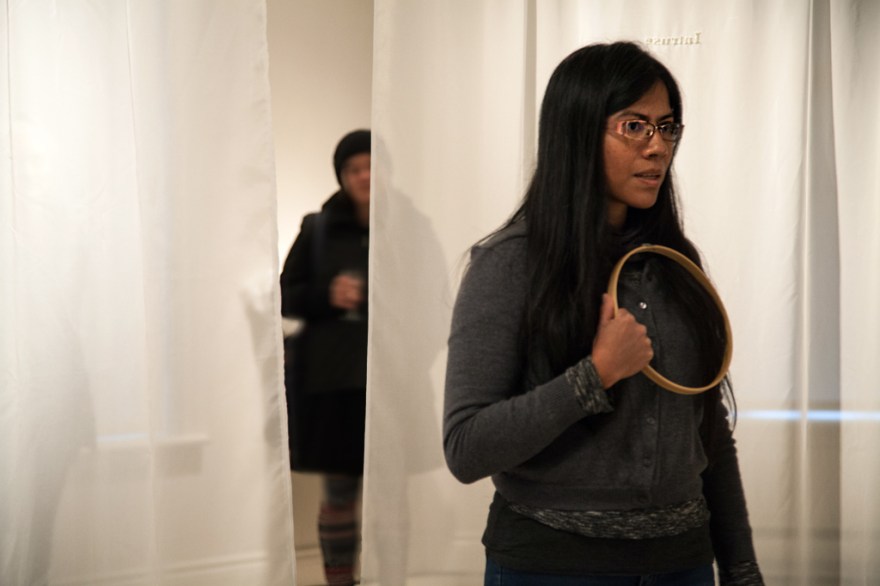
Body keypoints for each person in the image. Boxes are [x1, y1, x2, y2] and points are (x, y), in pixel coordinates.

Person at [443, 43, 764, 585]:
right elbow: (467, 447)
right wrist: (595, 376)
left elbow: (708, 431)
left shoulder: (675, 264)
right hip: (552, 568)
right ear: (577, 132)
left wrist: (741, 566)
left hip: (683, 565)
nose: (658, 147)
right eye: (635, 126)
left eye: (667, 127)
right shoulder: (511, 263)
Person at [280, 129, 371, 586]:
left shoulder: (406, 228)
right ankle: (340, 580)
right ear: (342, 176)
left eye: (371, 166)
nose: (364, 176)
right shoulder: (318, 227)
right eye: (354, 168)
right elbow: (285, 295)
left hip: (388, 378)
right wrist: (328, 295)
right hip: (335, 382)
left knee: (391, 493)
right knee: (339, 494)